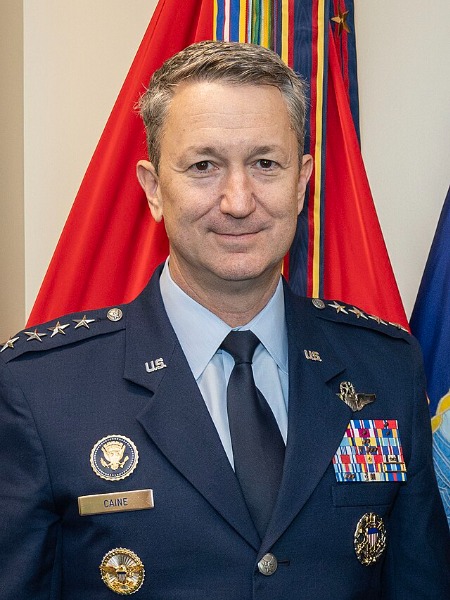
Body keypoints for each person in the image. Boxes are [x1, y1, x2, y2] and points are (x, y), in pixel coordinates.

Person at [0, 41, 448, 599]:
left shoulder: (385, 367)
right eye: (204, 166)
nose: (238, 201)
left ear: (302, 182)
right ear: (154, 189)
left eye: (265, 164)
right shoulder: (41, 389)